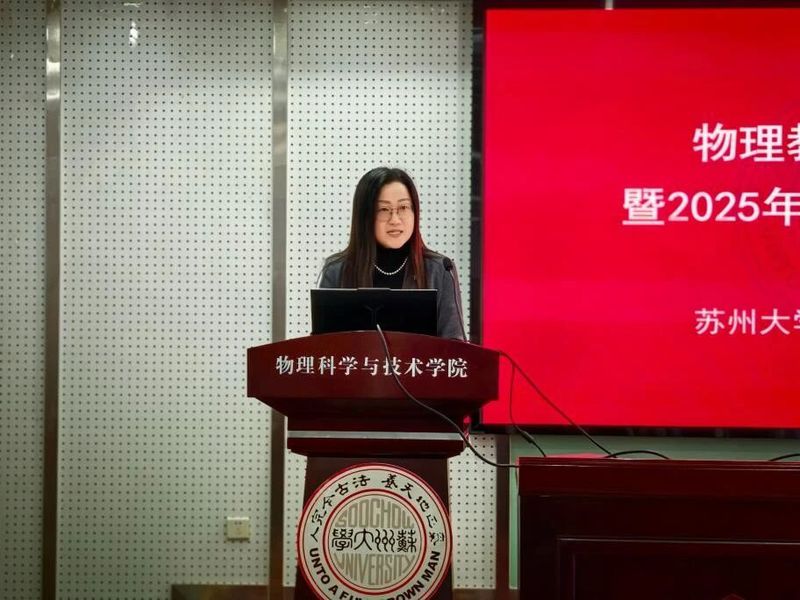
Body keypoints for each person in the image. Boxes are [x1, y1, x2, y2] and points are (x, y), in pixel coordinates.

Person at [319, 167, 466, 340]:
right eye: (383, 210)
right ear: (364, 216)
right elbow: (323, 348)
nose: (395, 220)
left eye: (403, 207)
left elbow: (454, 346)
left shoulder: (441, 269)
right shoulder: (336, 271)